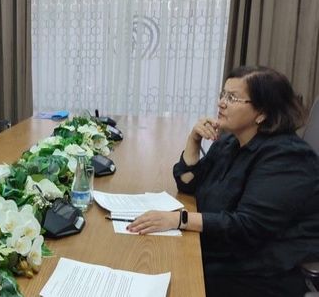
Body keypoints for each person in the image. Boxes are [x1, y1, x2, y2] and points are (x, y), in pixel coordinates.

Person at [127, 66, 319, 297]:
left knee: (164, 275)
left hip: (258, 273)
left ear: (262, 113)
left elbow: (247, 226)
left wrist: (180, 219)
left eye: (232, 98)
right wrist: (193, 141)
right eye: (223, 95)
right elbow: (189, 184)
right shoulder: (230, 141)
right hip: (223, 250)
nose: (221, 103)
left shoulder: (287, 158)